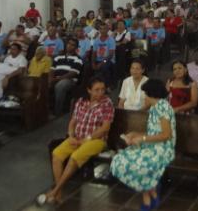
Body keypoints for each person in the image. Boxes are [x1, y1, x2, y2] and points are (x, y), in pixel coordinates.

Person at [40, 77, 114, 206]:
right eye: (96, 90)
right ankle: (60, 193)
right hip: (77, 138)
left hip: (96, 140)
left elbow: (105, 127)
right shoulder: (81, 101)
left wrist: (86, 140)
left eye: (102, 89)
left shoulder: (107, 103)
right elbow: (73, 121)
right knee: (57, 155)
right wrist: (71, 136)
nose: (100, 93)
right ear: (89, 90)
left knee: (74, 157)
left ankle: (55, 191)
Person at [110, 79, 176, 211]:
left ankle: (149, 197)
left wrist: (142, 139)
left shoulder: (163, 107)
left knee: (139, 163)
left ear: (152, 94)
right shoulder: (154, 108)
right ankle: (151, 193)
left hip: (163, 148)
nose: (145, 97)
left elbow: (166, 135)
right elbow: (154, 131)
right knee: (120, 159)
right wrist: (135, 134)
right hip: (152, 145)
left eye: (146, 94)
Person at [50, 38, 84, 115]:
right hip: (56, 78)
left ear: (76, 48)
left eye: (73, 45)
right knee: (42, 82)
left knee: (60, 85)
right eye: (69, 44)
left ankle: (58, 111)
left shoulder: (78, 59)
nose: (70, 46)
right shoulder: (58, 57)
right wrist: (51, 78)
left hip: (69, 80)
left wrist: (58, 79)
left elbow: (72, 73)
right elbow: (52, 70)